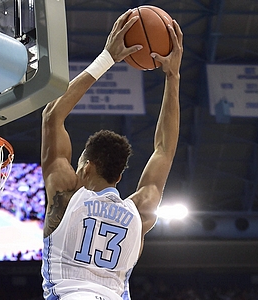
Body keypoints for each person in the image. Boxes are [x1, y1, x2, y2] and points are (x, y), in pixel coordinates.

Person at [41, 8, 183, 300]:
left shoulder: (67, 197)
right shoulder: (139, 211)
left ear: (87, 167)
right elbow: (165, 150)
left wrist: (107, 57)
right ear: (119, 175)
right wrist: (173, 76)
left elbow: (52, 117)